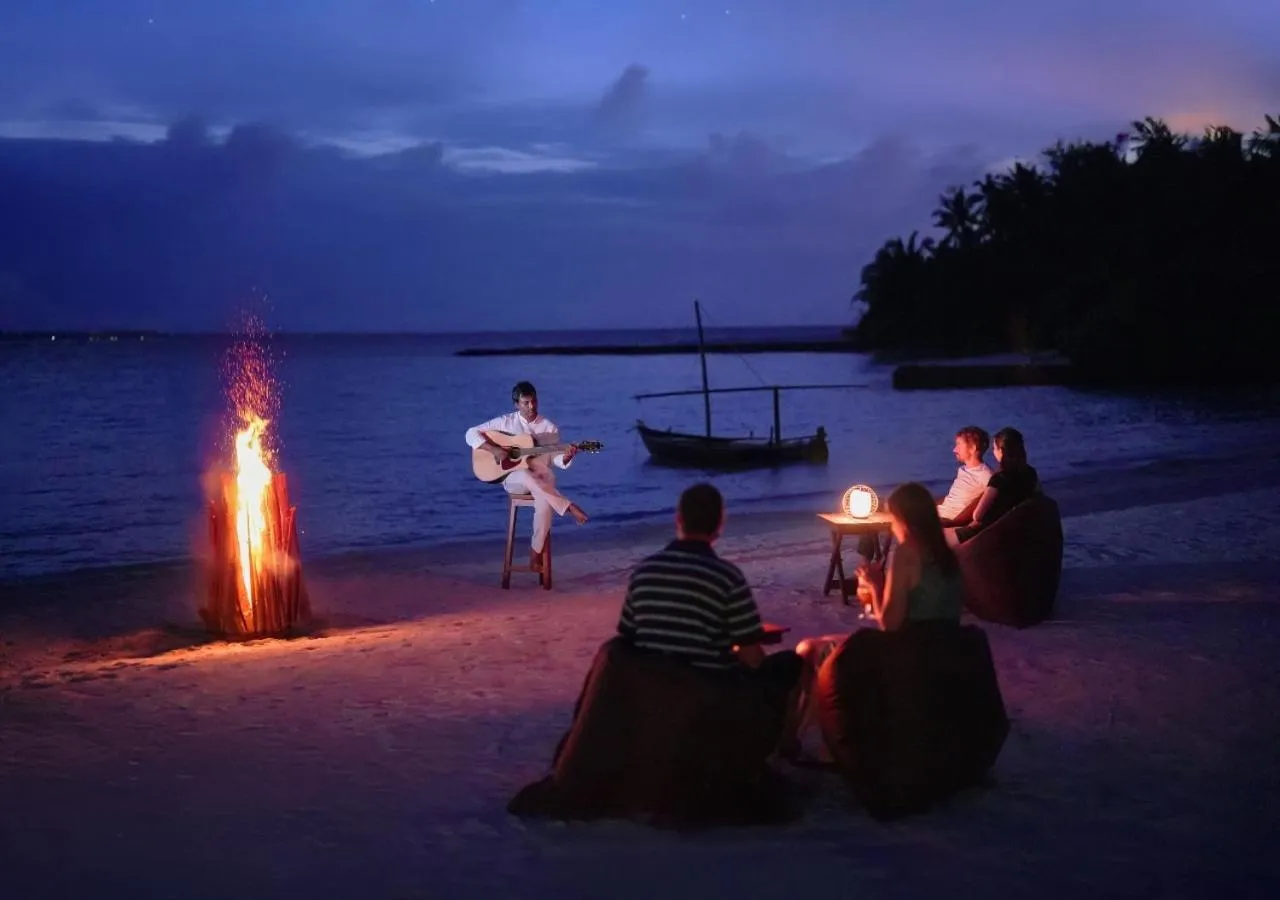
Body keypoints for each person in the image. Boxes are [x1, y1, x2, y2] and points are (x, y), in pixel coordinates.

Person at [787, 482, 965, 763]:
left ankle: (812, 743)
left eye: (892, 517)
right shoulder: (948, 556)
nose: (890, 524)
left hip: (907, 654)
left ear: (902, 518)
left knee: (809, 649)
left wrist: (875, 584)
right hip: (942, 650)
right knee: (821, 648)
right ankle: (800, 734)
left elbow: (889, 626)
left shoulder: (907, 553)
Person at [617, 482, 801, 687]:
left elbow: (626, 638)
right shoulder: (727, 577)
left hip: (652, 688)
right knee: (793, 664)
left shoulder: (643, 572)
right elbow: (752, 659)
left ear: (679, 519)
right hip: (708, 695)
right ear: (719, 525)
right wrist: (748, 640)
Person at [465, 381, 588, 572]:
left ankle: (534, 552)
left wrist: (567, 456)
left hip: (541, 479)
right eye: (526, 403)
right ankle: (568, 506)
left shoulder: (550, 428)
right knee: (524, 472)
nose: (531, 407)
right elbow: (470, 433)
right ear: (516, 404)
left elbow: (554, 460)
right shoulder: (505, 422)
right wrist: (494, 449)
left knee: (545, 498)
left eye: (534, 402)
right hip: (514, 479)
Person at [856, 425, 991, 561]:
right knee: (877, 509)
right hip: (937, 514)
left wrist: (947, 523)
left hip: (945, 521)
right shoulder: (964, 470)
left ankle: (872, 563)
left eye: (959, 445)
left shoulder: (985, 476)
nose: (954, 449)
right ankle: (868, 557)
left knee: (895, 513)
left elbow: (979, 509)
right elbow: (952, 499)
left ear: (973, 448)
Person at [948, 427, 1040, 545]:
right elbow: (1038, 498)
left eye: (994, 448)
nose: (993, 452)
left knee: (937, 543)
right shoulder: (1030, 473)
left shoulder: (999, 479)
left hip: (986, 530)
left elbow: (978, 515)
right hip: (1015, 525)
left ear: (1001, 451)